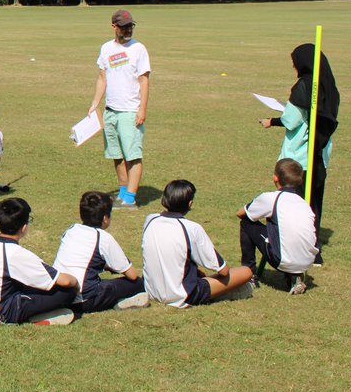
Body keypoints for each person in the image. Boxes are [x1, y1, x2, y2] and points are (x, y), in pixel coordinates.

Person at [259, 43, 338, 263]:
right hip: (320, 156)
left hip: (299, 158)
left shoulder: (304, 86)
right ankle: (314, 249)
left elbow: (291, 120)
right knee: (314, 204)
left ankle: (296, 249)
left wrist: (273, 120)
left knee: (294, 205)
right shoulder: (328, 86)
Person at [0, 198, 79, 326]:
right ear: (24, 227)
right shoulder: (14, 253)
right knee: (66, 292)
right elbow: (65, 281)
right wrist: (76, 283)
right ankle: (35, 318)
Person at [141, 180, 254, 307]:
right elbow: (223, 271)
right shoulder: (192, 228)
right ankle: (221, 293)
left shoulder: (150, 219)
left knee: (196, 271)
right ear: (190, 203)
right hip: (183, 295)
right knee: (246, 272)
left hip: (150, 289)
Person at [87, 9, 151, 210]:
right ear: (114, 27)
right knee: (116, 155)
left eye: (130, 26)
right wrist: (95, 103)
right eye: (124, 27)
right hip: (111, 110)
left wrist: (142, 109)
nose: (128, 29)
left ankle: (130, 199)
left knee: (133, 156)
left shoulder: (139, 49)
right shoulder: (106, 48)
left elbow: (144, 80)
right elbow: (102, 78)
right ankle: (123, 193)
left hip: (130, 111)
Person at [53, 191, 148, 313]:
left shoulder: (71, 229)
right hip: (85, 299)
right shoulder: (102, 237)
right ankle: (125, 301)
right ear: (105, 218)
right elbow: (132, 275)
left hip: (60, 295)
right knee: (137, 283)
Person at [237, 159, 318, 294]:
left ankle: (249, 275)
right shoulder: (303, 203)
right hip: (307, 261)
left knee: (246, 223)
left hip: (282, 259)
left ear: (275, 177)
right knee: (283, 232)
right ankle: (294, 276)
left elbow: (241, 213)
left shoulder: (271, 198)